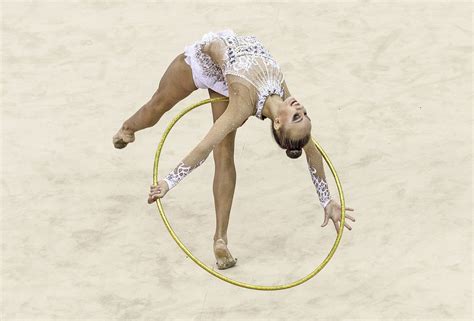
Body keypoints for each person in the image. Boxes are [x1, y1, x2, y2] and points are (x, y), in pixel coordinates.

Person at [113, 29, 356, 269]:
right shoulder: (284, 96)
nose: (300, 109)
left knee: (218, 148)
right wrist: (326, 201)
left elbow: (204, 147)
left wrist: (167, 183)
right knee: (157, 107)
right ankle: (129, 128)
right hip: (215, 64)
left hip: (212, 60)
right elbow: (312, 152)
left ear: (279, 122)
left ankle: (220, 239)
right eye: (304, 115)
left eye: (297, 117)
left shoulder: (241, 106)